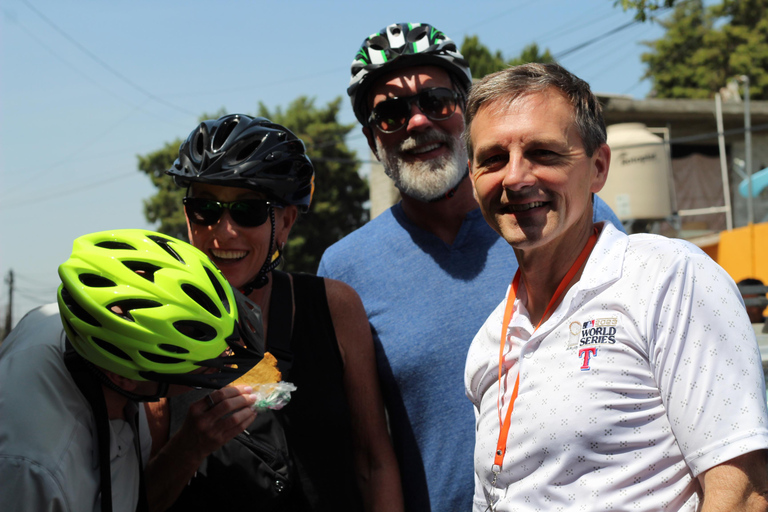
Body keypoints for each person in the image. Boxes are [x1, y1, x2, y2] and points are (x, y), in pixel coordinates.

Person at [316, 22, 625, 511]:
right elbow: (369, 455)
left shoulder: (572, 216)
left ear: (467, 111)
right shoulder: (344, 269)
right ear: (371, 138)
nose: (418, 122)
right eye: (391, 114)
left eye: (437, 102)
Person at [463, 62, 768, 511]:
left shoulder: (666, 277)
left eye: (544, 153)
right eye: (492, 159)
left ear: (599, 167)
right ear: (472, 179)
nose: (515, 177)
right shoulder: (489, 341)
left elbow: (741, 492)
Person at [149, 114, 402, 511]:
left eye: (247, 210)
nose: (224, 230)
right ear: (187, 217)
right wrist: (188, 448)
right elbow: (136, 497)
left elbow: (373, 461)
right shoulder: (156, 326)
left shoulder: (334, 307)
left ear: (285, 223)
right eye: (205, 208)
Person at [0, 228, 264, 512]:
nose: (220, 364)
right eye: (202, 369)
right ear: (124, 377)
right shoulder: (39, 472)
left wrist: (191, 446)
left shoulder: (80, 323)